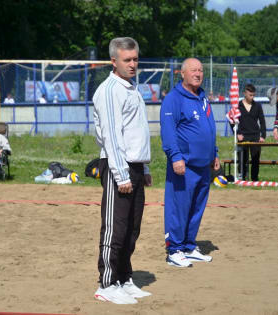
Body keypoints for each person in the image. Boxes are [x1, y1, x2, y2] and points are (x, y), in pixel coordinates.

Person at [92, 37, 152, 304]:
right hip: (119, 166)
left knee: (132, 228)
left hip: (136, 165)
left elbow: (139, 132)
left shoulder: (133, 89)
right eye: (127, 60)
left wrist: (145, 167)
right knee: (115, 228)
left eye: (135, 59)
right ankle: (106, 283)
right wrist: (121, 175)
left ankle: (124, 278)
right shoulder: (109, 90)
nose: (132, 64)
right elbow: (112, 137)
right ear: (113, 61)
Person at [160, 58, 220, 268]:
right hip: (184, 165)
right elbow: (168, 131)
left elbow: (209, 128)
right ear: (182, 74)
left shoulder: (202, 98)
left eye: (201, 70)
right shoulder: (174, 99)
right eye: (194, 70)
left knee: (196, 208)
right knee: (179, 208)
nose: (198, 73)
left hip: (204, 165)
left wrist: (215, 153)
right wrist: (175, 157)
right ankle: (174, 249)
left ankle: (188, 246)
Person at [232, 84, 266, 181]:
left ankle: (255, 179)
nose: (252, 97)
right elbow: (232, 121)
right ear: (245, 94)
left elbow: (262, 121)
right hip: (243, 136)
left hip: (255, 136)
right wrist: (237, 133)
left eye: (253, 95)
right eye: (250, 95)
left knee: (255, 159)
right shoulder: (238, 106)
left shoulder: (257, 106)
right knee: (242, 159)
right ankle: (242, 178)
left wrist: (263, 136)